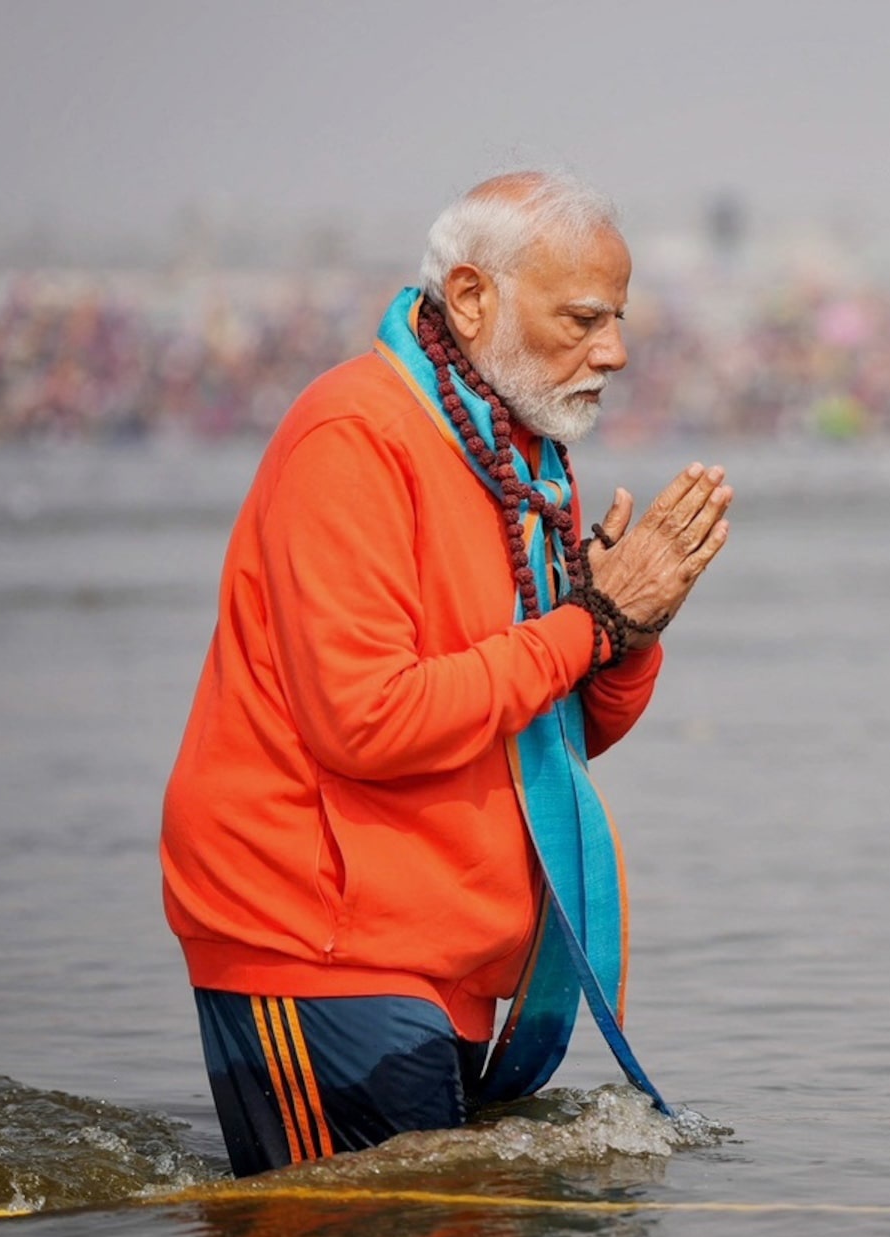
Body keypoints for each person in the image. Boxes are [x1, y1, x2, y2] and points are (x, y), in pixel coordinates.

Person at [159, 171, 732, 1177]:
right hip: (316, 946)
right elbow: (368, 721)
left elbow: (542, 729)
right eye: (586, 318)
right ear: (472, 299)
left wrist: (627, 635)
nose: (617, 350)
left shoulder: (517, 452)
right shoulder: (357, 435)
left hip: (445, 957)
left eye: (620, 319)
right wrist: (591, 623)